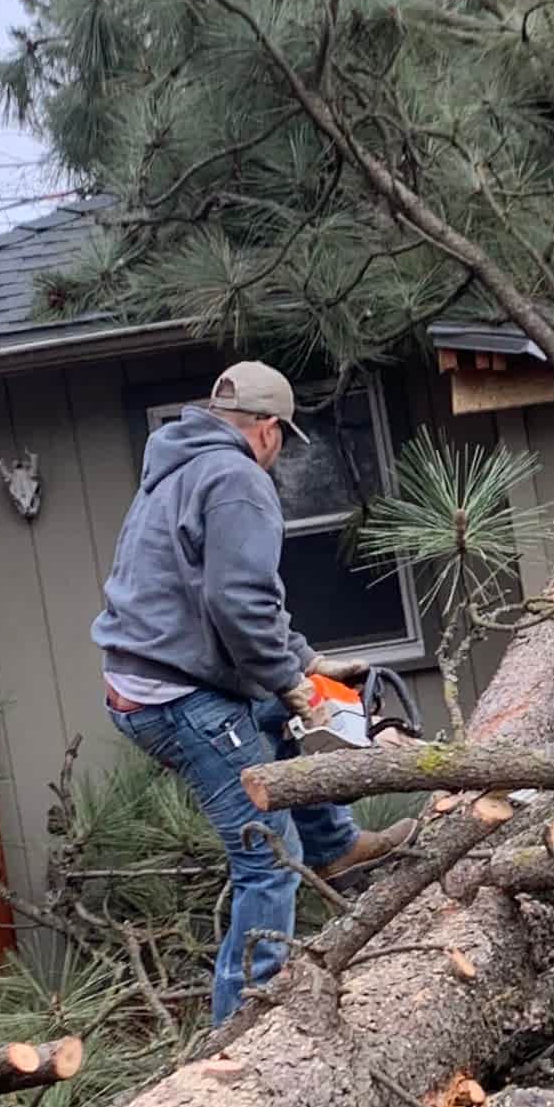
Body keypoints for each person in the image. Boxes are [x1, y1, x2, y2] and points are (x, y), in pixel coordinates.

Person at [94, 362, 401, 1018]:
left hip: (153, 677)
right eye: (281, 437)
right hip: (176, 695)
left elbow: (235, 605)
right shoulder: (237, 479)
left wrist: (311, 662)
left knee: (271, 712)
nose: (279, 449)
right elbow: (240, 604)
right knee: (267, 853)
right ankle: (247, 1015)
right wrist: (296, 686)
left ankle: (336, 847)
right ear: (266, 430)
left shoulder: (178, 469)